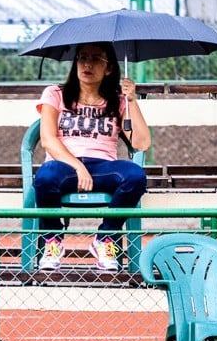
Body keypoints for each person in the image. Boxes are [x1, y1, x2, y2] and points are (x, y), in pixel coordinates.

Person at [33, 41, 151, 272]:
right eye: (82, 57)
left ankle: (105, 238)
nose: (87, 63)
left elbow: (142, 143)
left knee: (135, 176)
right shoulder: (55, 94)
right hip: (63, 165)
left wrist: (132, 102)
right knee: (45, 177)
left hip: (103, 168)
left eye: (96, 58)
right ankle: (52, 241)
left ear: (108, 69)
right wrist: (78, 167)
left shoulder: (118, 100)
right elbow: (48, 140)